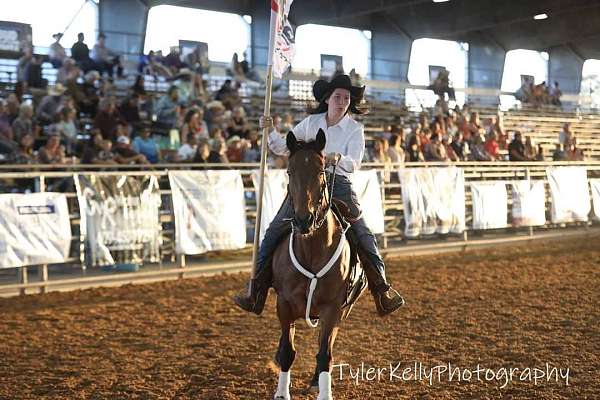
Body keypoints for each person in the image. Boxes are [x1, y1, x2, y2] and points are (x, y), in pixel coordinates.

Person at [234, 74, 405, 317]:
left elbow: (354, 163)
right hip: (308, 184)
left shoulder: (355, 129)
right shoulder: (311, 123)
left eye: (346, 98)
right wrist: (270, 130)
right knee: (273, 231)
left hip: (338, 183)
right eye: (338, 97)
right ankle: (256, 291)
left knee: (363, 233)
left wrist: (339, 158)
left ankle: (381, 290)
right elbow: (283, 147)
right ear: (327, 99)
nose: (343, 101)